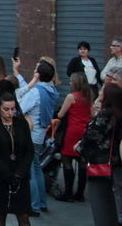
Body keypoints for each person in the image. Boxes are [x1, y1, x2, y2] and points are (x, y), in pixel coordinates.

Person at [15, 57, 59, 216]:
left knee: (30, 171)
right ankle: (41, 201)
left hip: (31, 133)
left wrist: (29, 85)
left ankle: (33, 205)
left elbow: (19, 105)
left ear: (39, 75)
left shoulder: (35, 92)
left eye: (36, 70)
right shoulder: (52, 90)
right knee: (37, 168)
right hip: (40, 134)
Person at [0, 92, 33, 226]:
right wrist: (8, 175)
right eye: (6, 109)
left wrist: (19, 174)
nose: (10, 113)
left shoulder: (22, 124)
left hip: (20, 177)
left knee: (23, 216)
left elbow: (30, 151)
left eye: (13, 109)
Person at [77, 83, 122, 226]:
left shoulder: (104, 114)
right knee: (110, 200)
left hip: (99, 161)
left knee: (100, 201)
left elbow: (92, 134)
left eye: (102, 90)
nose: (100, 91)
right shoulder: (118, 114)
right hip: (113, 161)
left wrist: (79, 146)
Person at [55, 72, 92, 202]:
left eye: (71, 81)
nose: (69, 83)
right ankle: (80, 193)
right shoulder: (89, 96)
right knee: (82, 162)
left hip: (72, 131)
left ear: (75, 83)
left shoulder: (71, 97)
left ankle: (68, 193)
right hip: (84, 132)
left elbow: (60, 114)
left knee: (67, 160)